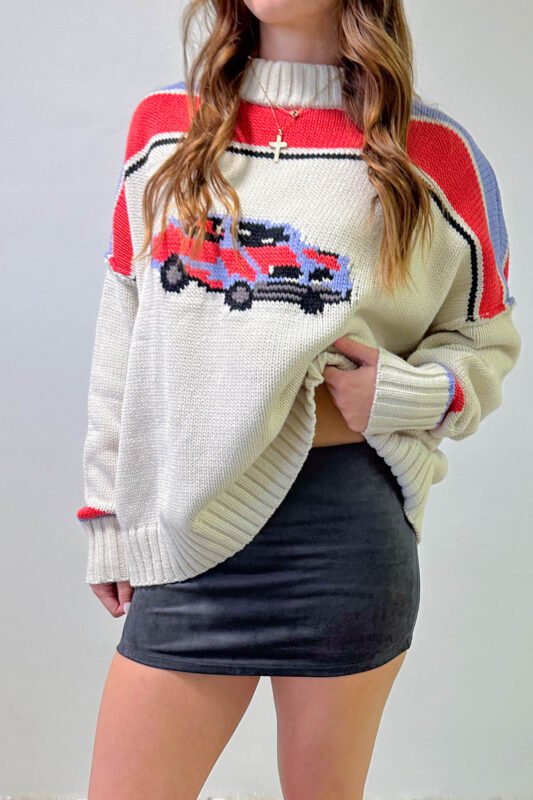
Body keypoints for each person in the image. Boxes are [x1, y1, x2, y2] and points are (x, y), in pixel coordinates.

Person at [76, 1, 522, 797]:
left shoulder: (434, 151)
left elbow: (483, 339)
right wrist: (108, 513)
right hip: (185, 518)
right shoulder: (164, 127)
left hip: (341, 533)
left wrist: (403, 391)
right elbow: (126, 328)